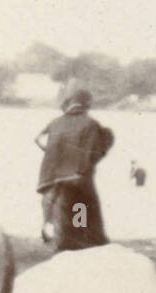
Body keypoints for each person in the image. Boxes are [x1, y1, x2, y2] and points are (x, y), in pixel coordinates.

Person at [35, 84, 114, 250]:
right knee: (83, 205)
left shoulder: (55, 122)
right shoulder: (90, 124)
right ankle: (80, 236)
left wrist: (52, 154)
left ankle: (49, 228)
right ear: (86, 105)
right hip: (75, 179)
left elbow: (38, 139)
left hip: (49, 177)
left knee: (51, 206)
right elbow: (92, 152)